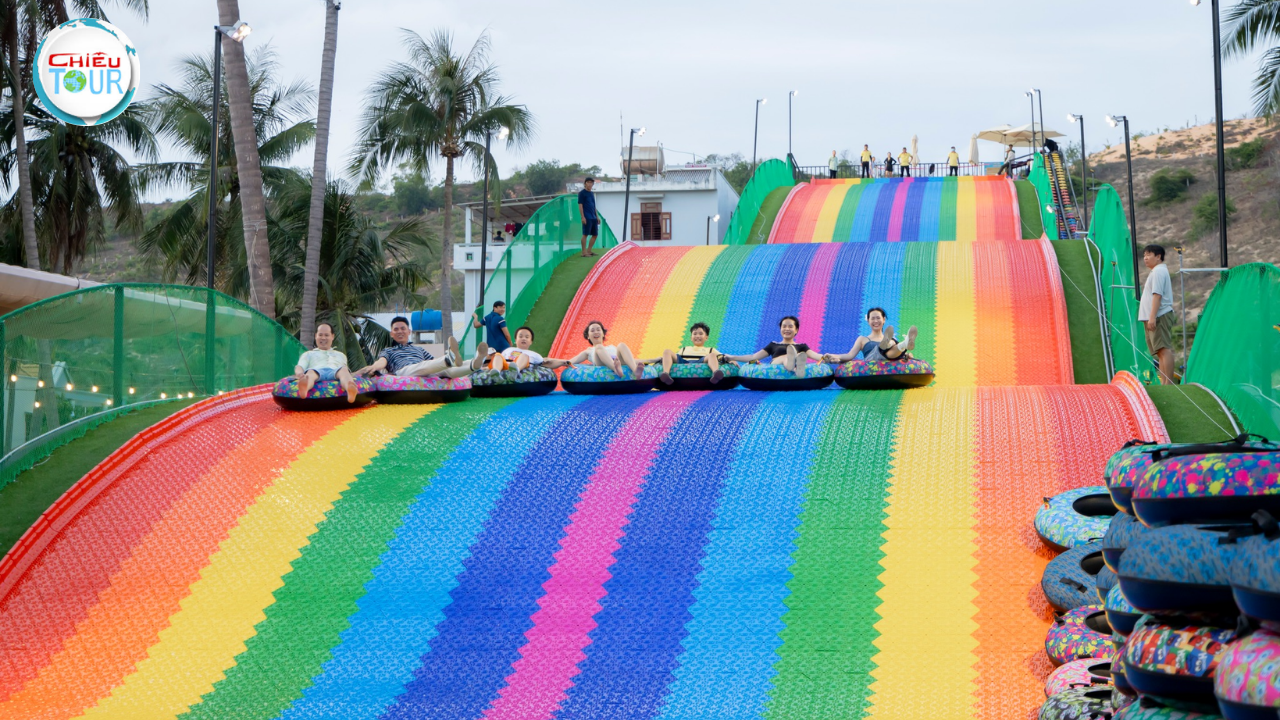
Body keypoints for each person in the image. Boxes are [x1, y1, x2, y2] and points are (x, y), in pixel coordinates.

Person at [355, 316, 487, 379]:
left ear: (409, 332)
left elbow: (433, 362)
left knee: (447, 371)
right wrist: (374, 367)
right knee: (423, 366)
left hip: (425, 369)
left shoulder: (418, 349)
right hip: (404, 371)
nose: (400, 331)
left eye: (403, 329)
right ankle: (449, 358)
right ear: (391, 334)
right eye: (396, 329)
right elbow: (382, 362)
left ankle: (474, 364)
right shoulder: (388, 350)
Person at [725, 316, 825, 378]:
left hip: (794, 362)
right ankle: (795, 367)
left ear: (796, 330)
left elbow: (818, 356)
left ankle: (796, 364)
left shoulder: (802, 346)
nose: (787, 329)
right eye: (784, 326)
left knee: (799, 354)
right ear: (780, 329)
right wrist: (733, 357)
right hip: (776, 366)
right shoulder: (773, 345)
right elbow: (753, 357)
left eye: (790, 326)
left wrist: (830, 357)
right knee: (786, 356)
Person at [822, 307, 918, 364]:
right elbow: (849, 355)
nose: (876, 321)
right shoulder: (863, 339)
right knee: (884, 348)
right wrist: (833, 356)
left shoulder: (892, 339)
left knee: (893, 344)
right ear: (868, 321)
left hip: (888, 361)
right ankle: (891, 345)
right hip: (872, 362)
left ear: (884, 320)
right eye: (872, 318)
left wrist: (906, 356)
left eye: (878, 318)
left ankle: (904, 344)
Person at [294, 322, 359, 402]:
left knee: (344, 371)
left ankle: (349, 388)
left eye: (326, 335)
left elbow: (345, 369)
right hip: (316, 370)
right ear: (316, 336)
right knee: (310, 373)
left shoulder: (340, 355)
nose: (323, 338)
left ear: (332, 336)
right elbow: (300, 366)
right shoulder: (308, 354)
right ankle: (305, 387)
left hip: (336, 370)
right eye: (320, 335)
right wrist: (299, 373)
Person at [1139, 244, 1176, 384]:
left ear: (1158, 256)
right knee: (1160, 352)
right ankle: (1164, 382)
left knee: (1163, 349)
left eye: (1149, 255)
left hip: (1159, 315)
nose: (1145, 258)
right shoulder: (1156, 271)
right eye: (1144, 255)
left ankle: (1168, 383)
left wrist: (1152, 317)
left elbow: (1157, 295)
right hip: (1154, 316)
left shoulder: (1159, 271)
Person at [657, 321, 728, 386]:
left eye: (701, 334)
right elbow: (671, 358)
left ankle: (716, 373)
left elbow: (723, 356)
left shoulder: (710, 349)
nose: (697, 336)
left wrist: (731, 359)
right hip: (683, 361)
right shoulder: (684, 349)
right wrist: (658, 359)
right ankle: (666, 374)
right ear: (691, 337)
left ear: (706, 337)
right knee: (667, 351)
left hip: (701, 360)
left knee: (712, 355)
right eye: (695, 334)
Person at [566, 321, 643, 379]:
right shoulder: (588, 351)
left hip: (618, 362)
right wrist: (559, 362)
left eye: (598, 330)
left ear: (603, 334)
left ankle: (635, 371)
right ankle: (615, 369)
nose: (596, 332)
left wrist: (649, 360)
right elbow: (570, 362)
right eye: (592, 331)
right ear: (588, 336)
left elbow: (629, 359)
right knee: (599, 347)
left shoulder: (612, 347)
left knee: (621, 345)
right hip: (601, 363)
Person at [487, 326, 573, 371]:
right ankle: (496, 372)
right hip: (506, 365)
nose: (523, 339)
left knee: (524, 356)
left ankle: (516, 370)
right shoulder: (508, 350)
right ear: (515, 340)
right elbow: (499, 360)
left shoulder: (534, 354)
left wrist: (563, 362)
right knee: (497, 355)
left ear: (531, 341)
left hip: (521, 365)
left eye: (527, 337)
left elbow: (548, 363)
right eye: (520, 336)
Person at [578, 177, 599, 257]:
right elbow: (580, 205)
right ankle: (584, 252)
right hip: (587, 217)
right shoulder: (582, 193)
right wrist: (582, 217)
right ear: (585, 183)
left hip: (593, 217)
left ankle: (589, 250)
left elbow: (594, 206)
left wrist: (597, 216)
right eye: (588, 182)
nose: (590, 184)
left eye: (591, 182)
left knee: (595, 234)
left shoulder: (591, 193)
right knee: (585, 234)